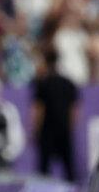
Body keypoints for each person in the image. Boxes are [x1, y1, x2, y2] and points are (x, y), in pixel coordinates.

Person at [30, 48, 78, 181]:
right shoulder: (68, 82)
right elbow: (74, 110)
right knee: (69, 168)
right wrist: (70, 127)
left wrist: (36, 130)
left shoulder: (42, 83)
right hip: (64, 129)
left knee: (44, 168)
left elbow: (39, 109)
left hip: (47, 130)